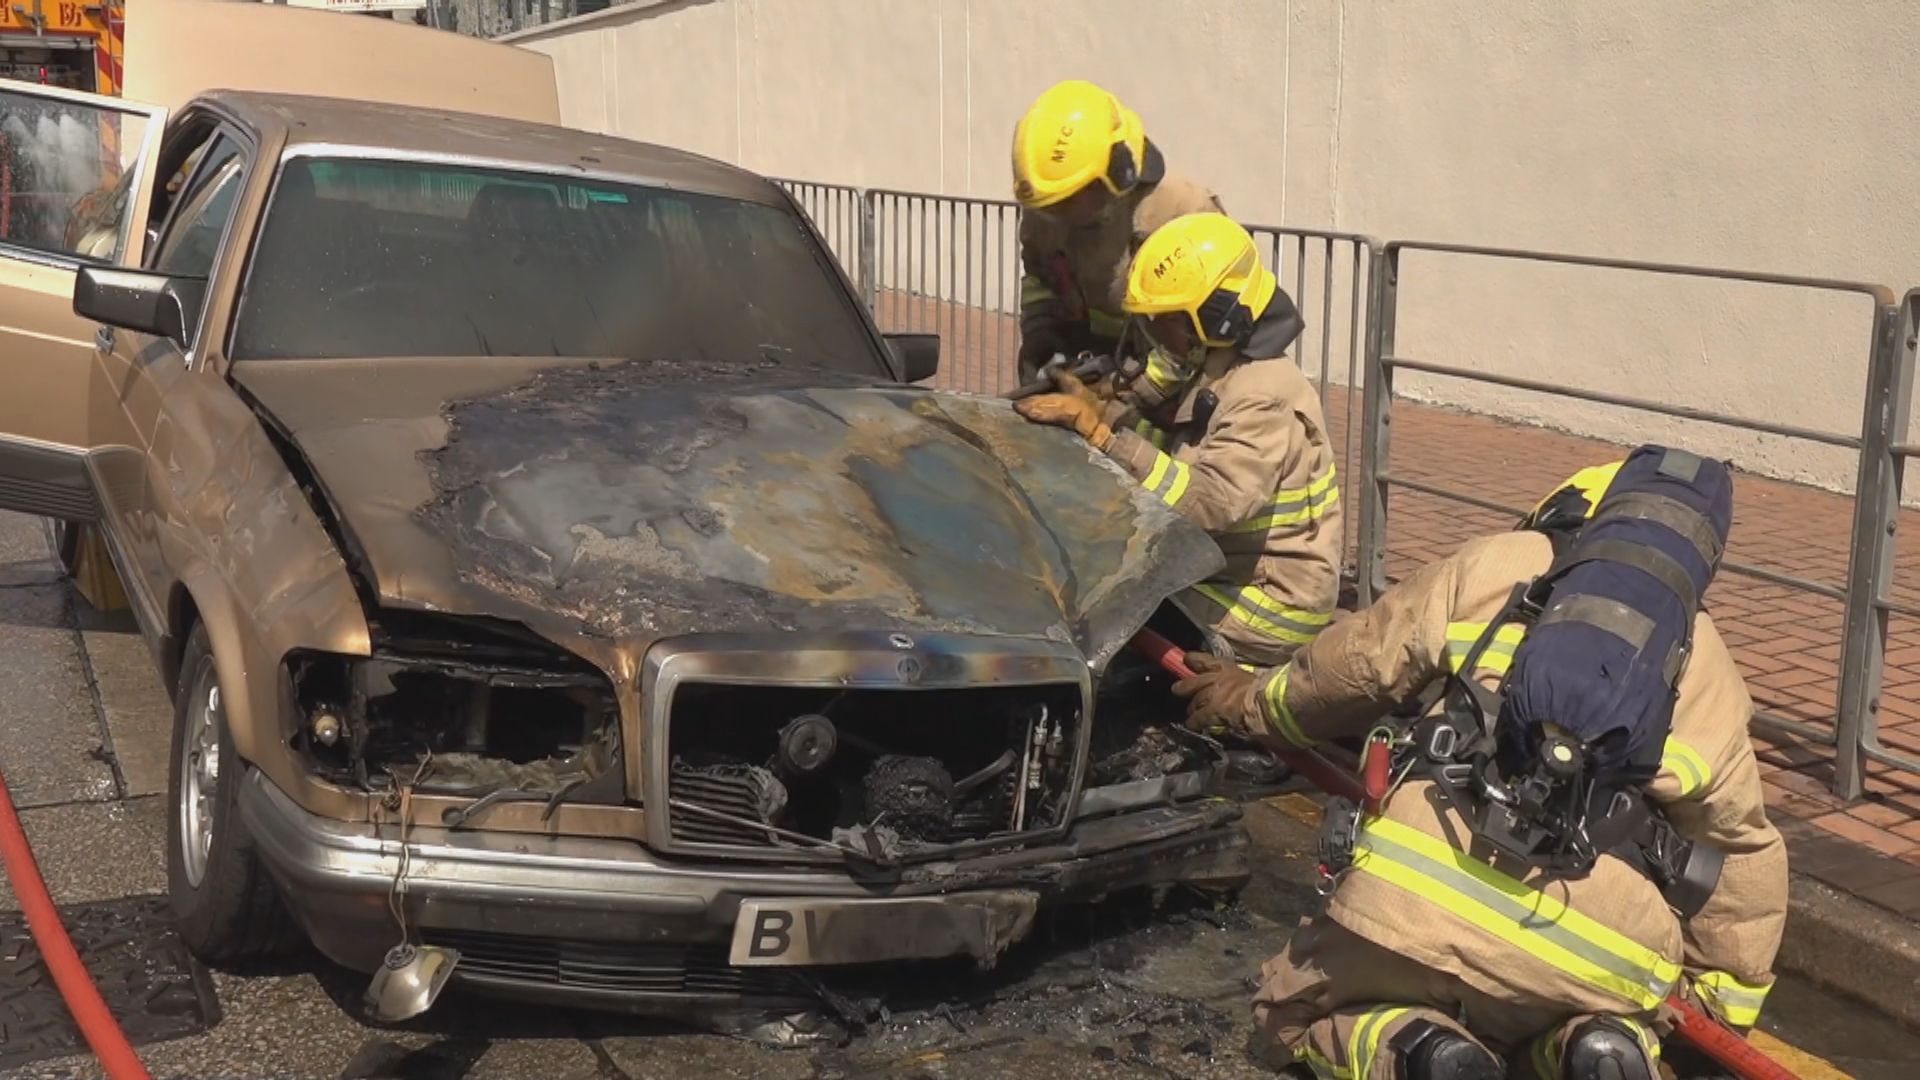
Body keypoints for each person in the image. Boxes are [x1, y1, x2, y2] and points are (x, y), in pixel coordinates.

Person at [1171, 459, 1787, 1080]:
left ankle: (1421, 1052)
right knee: (1583, 1009)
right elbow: (1744, 851)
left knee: (1288, 1012)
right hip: (1598, 949)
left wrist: (1250, 704)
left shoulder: (1500, 561)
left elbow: (1353, 666)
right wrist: (1717, 1009)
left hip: (1416, 888)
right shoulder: (1706, 659)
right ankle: (1591, 1045)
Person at [1014, 211, 1342, 668]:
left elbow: (1212, 503)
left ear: (1216, 316)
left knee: (1095, 603)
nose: (1155, 333)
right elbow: (1160, 418)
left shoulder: (1261, 394)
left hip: (1270, 602)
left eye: (1165, 320)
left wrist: (1104, 436)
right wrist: (1102, 405)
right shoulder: (1220, 365)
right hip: (1228, 571)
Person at [1011, 78, 1222, 385]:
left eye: (1069, 200)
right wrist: (1043, 338)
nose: (1056, 215)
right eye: (1050, 205)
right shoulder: (1046, 207)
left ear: (1113, 174)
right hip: (1092, 358)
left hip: (1173, 380)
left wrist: (1127, 394)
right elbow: (1039, 275)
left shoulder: (1180, 212)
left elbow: (1201, 346)